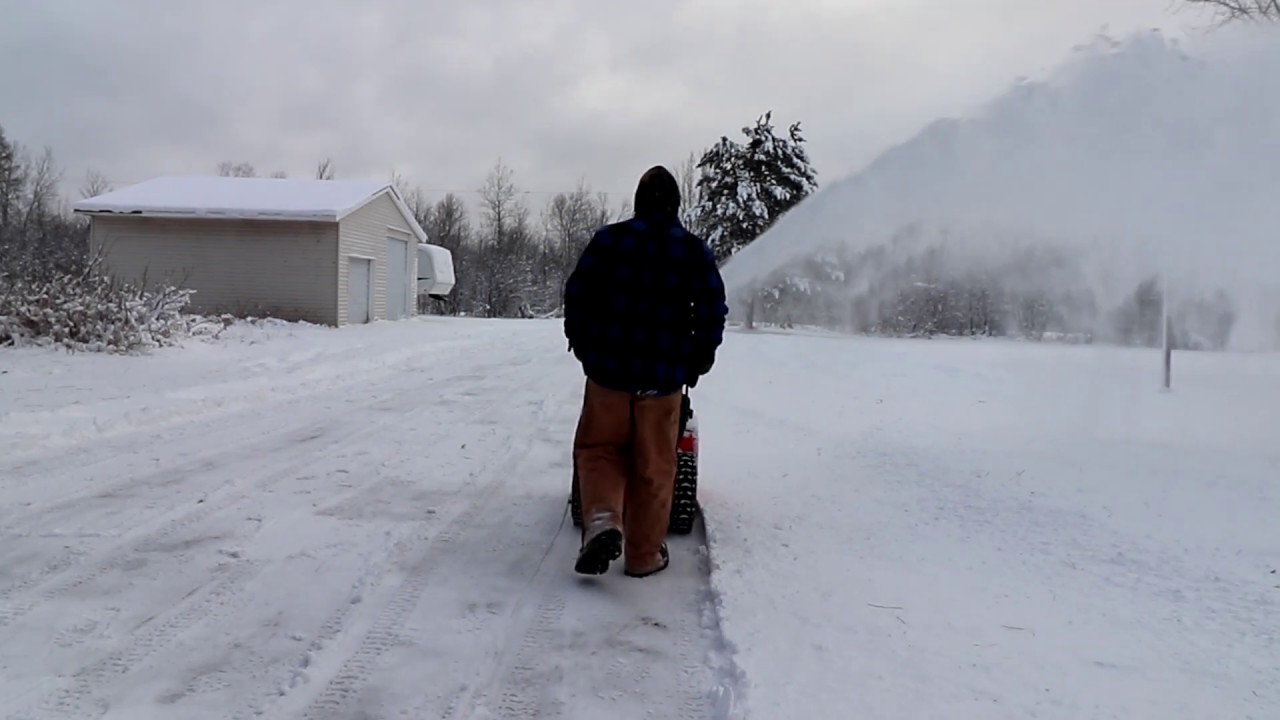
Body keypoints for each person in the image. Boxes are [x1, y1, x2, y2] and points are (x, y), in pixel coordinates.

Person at [562, 165, 728, 578]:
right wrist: (698, 359)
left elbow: (578, 296)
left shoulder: (608, 241)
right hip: (663, 379)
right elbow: (711, 311)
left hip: (608, 375)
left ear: (637, 202)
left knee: (599, 451)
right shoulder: (693, 251)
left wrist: (584, 347)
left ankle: (602, 520)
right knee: (655, 466)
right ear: (675, 205)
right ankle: (644, 555)